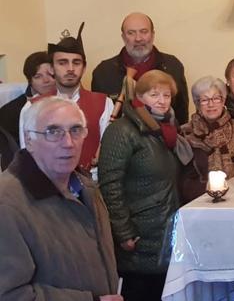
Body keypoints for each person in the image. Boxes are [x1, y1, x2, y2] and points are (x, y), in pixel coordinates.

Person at [0, 97, 121, 300]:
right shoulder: (7, 203)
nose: (68, 143)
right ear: (29, 139)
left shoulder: (87, 188)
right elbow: (8, 294)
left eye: (75, 130)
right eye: (53, 132)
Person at [99, 70, 192, 301]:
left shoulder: (167, 131)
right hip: (138, 235)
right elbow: (110, 184)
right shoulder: (122, 130)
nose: (162, 101)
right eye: (154, 94)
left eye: (166, 95)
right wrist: (124, 231)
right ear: (139, 97)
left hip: (164, 228)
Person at [20, 24, 113, 178]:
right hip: (47, 188)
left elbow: (109, 156)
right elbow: (28, 155)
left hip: (93, 187)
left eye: (76, 63)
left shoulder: (104, 103)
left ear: (84, 67)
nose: (70, 68)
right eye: (62, 62)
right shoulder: (32, 107)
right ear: (51, 68)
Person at [91, 12, 189, 123]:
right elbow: (98, 120)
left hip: (164, 139)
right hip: (119, 138)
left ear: (152, 34)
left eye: (144, 32)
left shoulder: (173, 66)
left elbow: (182, 117)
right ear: (123, 37)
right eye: (131, 33)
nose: (138, 38)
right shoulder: (103, 72)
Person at [180, 77, 234, 204]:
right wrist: (211, 192)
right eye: (205, 100)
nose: (211, 104)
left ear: (223, 100)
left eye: (216, 98)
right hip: (200, 204)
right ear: (197, 103)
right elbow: (185, 180)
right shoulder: (186, 134)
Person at [0, 51, 54, 142]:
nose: (46, 80)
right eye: (38, 76)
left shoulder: (68, 101)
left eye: (51, 75)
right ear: (30, 81)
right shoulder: (9, 113)